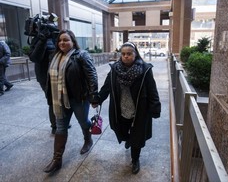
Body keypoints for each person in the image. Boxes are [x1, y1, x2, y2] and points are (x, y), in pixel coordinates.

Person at [97, 41, 161, 174]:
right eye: (123, 54)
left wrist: (155, 107)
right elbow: (106, 87)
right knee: (122, 131)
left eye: (129, 54)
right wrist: (97, 99)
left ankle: (135, 159)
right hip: (120, 110)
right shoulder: (115, 70)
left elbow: (152, 90)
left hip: (139, 111)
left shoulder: (145, 70)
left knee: (137, 137)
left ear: (135, 54)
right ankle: (129, 140)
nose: (126, 56)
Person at [43, 29, 99, 173]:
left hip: (78, 98)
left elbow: (91, 75)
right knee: (60, 127)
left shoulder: (81, 55)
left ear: (73, 42)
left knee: (83, 121)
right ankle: (57, 160)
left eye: (66, 40)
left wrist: (93, 96)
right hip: (59, 99)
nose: (62, 42)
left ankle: (88, 139)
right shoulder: (54, 56)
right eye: (60, 40)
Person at [28, 32, 58, 133]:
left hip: (58, 74)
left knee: (60, 100)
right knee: (53, 101)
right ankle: (55, 126)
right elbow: (34, 58)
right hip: (44, 76)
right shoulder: (38, 39)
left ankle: (60, 122)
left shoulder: (56, 37)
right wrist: (42, 41)